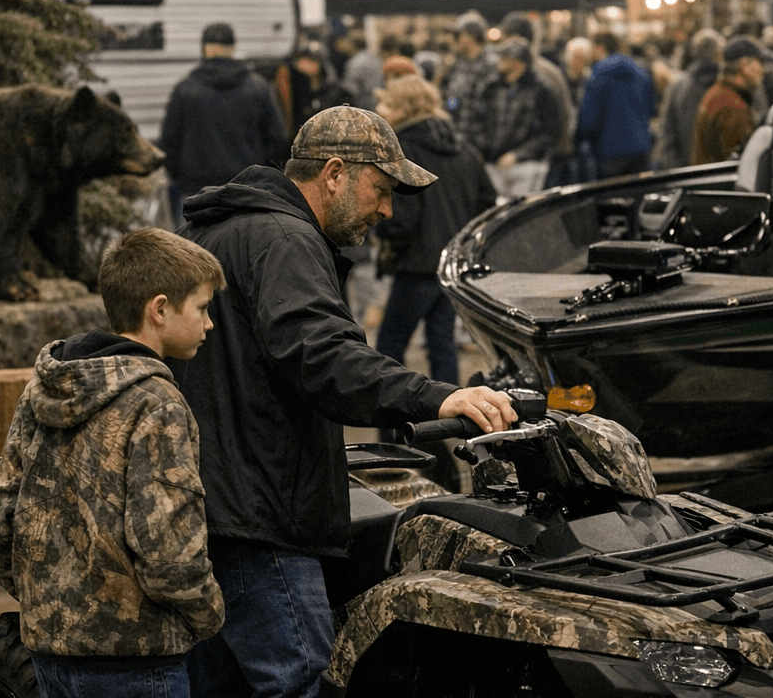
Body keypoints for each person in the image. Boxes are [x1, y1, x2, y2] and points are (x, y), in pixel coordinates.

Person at [177, 106, 518, 698]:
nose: (387, 210)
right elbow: (323, 356)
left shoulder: (228, 229)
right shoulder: (283, 238)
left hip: (212, 504)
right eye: (380, 190)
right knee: (303, 680)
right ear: (334, 173)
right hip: (259, 518)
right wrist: (438, 396)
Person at [0, 227, 227, 698]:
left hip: (51, 652)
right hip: (137, 660)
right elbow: (167, 551)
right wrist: (209, 614)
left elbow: (4, 516)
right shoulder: (157, 402)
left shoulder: (45, 386)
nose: (209, 324)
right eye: (201, 308)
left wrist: (45, 605)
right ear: (159, 309)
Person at [373, 76, 498, 387]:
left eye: (387, 103)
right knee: (442, 346)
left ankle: (392, 429)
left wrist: (388, 240)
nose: (379, 109)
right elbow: (487, 202)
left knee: (389, 349)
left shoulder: (403, 149)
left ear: (404, 108)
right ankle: (453, 423)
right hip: (450, 264)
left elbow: (402, 216)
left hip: (416, 264)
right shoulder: (464, 147)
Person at [161, 22, 289, 221]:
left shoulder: (185, 89)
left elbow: (169, 141)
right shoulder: (258, 87)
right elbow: (278, 139)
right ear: (232, 48)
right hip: (246, 192)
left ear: (205, 48)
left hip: (197, 192)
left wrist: (182, 178)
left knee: (194, 250)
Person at [482, 39, 565, 199]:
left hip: (527, 166)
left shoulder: (541, 89)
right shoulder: (492, 86)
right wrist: (482, 149)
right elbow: (480, 119)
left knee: (520, 214)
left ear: (517, 63)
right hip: (493, 164)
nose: (499, 62)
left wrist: (519, 154)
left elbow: (551, 132)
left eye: (504, 58)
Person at [577, 31, 657, 178]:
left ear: (600, 48)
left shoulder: (597, 76)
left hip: (609, 152)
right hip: (641, 147)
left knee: (612, 199)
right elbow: (651, 109)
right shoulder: (640, 72)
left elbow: (589, 121)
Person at [690, 36, 766, 165]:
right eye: (759, 63)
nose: (763, 70)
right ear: (745, 66)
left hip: (707, 181)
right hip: (719, 184)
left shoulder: (717, 93)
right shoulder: (732, 107)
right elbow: (738, 163)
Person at [655, 28, 724, 169]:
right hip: (722, 170)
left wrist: (674, 167)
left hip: (685, 169)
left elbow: (667, 130)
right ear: (719, 53)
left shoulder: (677, 86)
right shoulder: (727, 85)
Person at [440, 12, 499, 155]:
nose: (452, 40)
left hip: (480, 145)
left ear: (469, 37)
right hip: (459, 141)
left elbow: (493, 107)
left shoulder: (491, 64)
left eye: (457, 36)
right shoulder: (460, 64)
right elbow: (453, 100)